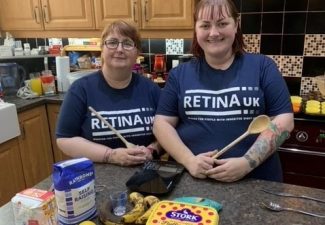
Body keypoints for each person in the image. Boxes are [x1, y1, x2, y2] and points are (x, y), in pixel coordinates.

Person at [153, 0, 294, 182]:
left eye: (222, 23)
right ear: (196, 29)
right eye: (205, 25)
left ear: (236, 25)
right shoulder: (179, 74)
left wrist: (246, 163)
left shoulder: (262, 67)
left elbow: (285, 120)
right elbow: (161, 124)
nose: (214, 33)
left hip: (256, 181)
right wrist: (189, 161)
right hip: (193, 181)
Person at [56, 20, 161, 166]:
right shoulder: (80, 90)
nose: (119, 49)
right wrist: (110, 155)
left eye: (127, 43)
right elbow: (65, 139)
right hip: (99, 177)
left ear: (137, 52)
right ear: (102, 49)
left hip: (146, 175)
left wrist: (152, 149)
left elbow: (168, 131)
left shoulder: (151, 89)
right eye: (112, 42)